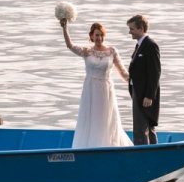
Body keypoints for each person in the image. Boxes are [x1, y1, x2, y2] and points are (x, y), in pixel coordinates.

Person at [60, 19, 133, 148]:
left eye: (101, 35)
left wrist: (134, 80)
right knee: (91, 117)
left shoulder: (111, 51)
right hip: (90, 89)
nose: (99, 38)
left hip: (106, 89)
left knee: (106, 119)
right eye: (96, 35)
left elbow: (122, 71)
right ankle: (90, 146)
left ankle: (108, 145)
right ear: (91, 37)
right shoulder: (86, 51)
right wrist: (65, 28)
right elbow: (70, 45)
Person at [126, 14, 161, 145]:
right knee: (145, 126)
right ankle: (153, 153)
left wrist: (149, 95)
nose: (129, 32)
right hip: (137, 91)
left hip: (144, 94)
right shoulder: (139, 45)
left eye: (132, 29)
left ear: (141, 29)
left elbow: (155, 72)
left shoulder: (150, 45)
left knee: (141, 127)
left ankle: (143, 155)